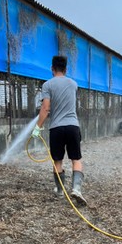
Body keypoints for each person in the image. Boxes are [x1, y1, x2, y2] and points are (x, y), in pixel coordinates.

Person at [31, 55, 86, 205]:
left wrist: (38, 128)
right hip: (73, 126)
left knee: (57, 161)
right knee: (76, 159)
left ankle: (60, 190)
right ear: (66, 69)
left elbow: (46, 108)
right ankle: (76, 189)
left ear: (52, 68)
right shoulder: (73, 84)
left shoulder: (47, 85)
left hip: (56, 128)